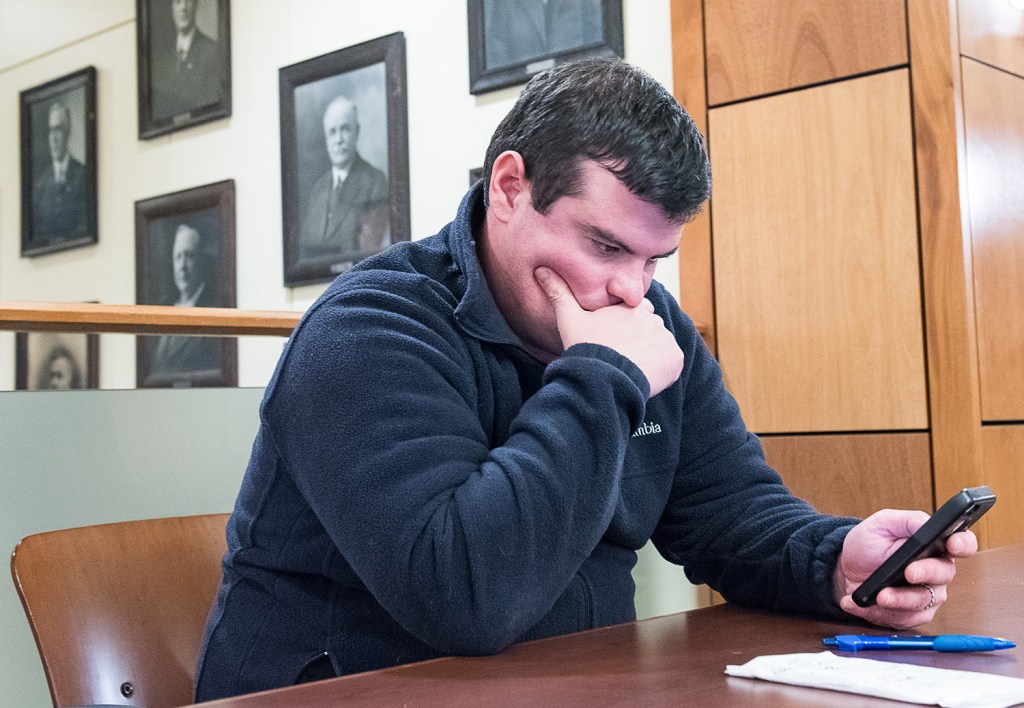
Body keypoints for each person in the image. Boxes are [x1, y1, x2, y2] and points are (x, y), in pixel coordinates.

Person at [195, 59, 977, 700]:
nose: (632, 290)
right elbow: (466, 597)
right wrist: (600, 377)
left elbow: (728, 513)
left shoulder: (642, 325)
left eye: (652, 260)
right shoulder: (366, 332)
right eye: (605, 246)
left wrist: (835, 560)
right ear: (510, 188)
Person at [299, 94, 389, 263]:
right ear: (326, 138)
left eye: (345, 129)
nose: (338, 140)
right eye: (332, 132)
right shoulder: (319, 189)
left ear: (357, 132)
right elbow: (309, 245)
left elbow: (371, 249)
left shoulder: (374, 181)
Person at [147, 223, 220, 382]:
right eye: (178, 257)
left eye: (189, 256)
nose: (182, 266)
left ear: (201, 260)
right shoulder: (164, 311)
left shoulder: (214, 311)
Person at [484, 0, 604, 70]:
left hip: (578, 90)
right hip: (527, 96)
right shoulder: (505, 4)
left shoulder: (582, 3)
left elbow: (597, 37)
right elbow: (497, 54)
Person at [151, 0, 221, 119]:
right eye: (178, 2)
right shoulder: (165, 61)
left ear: (196, 5)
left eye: (188, 1)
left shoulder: (212, 52)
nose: (183, 8)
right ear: (172, 7)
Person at [32, 101, 88, 244]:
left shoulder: (83, 175)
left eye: (58, 130)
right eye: (51, 131)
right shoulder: (40, 184)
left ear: (68, 131)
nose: (54, 138)